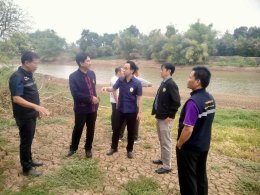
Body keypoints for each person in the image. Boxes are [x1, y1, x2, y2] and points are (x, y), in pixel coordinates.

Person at [9, 51, 50, 176]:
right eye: (35, 63)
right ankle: (26, 168)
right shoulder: (17, 77)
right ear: (26, 62)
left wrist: (37, 110)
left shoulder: (29, 74)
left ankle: (30, 160)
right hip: (24, 115)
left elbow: (31, 94)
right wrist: (36, 106)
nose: (37, 65)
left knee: (29, 138)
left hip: (31, 114)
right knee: (26, 140)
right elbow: (16, 98)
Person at [176, 66, 216, 195]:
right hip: (204, 145)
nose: (188, 80)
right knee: (200, 176)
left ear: (198, 81)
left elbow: (188, 128)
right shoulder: (210, 98)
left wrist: (179, 144)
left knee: (188, 180)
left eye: (190, 77)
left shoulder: (193, 102)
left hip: (190, 148)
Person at [102, 60, 142, 159]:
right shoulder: (121, 80)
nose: (123, 70)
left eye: (126, 68)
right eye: (123, 68)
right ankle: (113, 147)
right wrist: (106, 88)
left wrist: (139, 112)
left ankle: (129, 150)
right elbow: (114, 88)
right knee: (116, 129)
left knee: (131, 131)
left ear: (132, 70)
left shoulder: (137, 83)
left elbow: (139, 98)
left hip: (132, 111)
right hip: (120, 109)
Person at [66, 52, 99, 158]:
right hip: (81, 108)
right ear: (81, 63)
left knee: (91, 128)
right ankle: (73, 148)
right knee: (78, 128)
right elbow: (75, 94)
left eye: (90, 60)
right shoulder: (73, 77)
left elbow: (93, 90)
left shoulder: (92, 73)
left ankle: (88, 148)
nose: (90, 62)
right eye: (88, 61)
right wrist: (90, 98)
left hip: (93, 108)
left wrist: (96, 99)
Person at [152, 62, 181, 174]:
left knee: (166, 141)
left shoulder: (171, 84)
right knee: (162, 139)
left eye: (162, 69)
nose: (160, 71)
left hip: (166, 118)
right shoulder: (164, 83)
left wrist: (171, 115)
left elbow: (177, 102)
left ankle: (167, 166)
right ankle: (163, 159)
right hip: (160, 116)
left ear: (168, 71)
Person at [119, 68, 152, 143]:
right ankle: (133, 137)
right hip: (131, 104)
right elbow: (150, 84)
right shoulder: (136, 79)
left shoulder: (137, 80)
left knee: (129, 120)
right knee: (133, 121)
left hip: (133, 104)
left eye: (126, 68)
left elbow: (150, 84)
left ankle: (122, 136)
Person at [110, 67, 123, 132]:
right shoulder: (114, 79)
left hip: (115, 100)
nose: (123, 72)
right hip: (115, 100)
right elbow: (114, 91)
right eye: (122, 71)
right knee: (115, 114)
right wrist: (117, 101)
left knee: (115, 114)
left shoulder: (116, 78)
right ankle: (114, 128)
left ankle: (114, 127)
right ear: (118, 72)